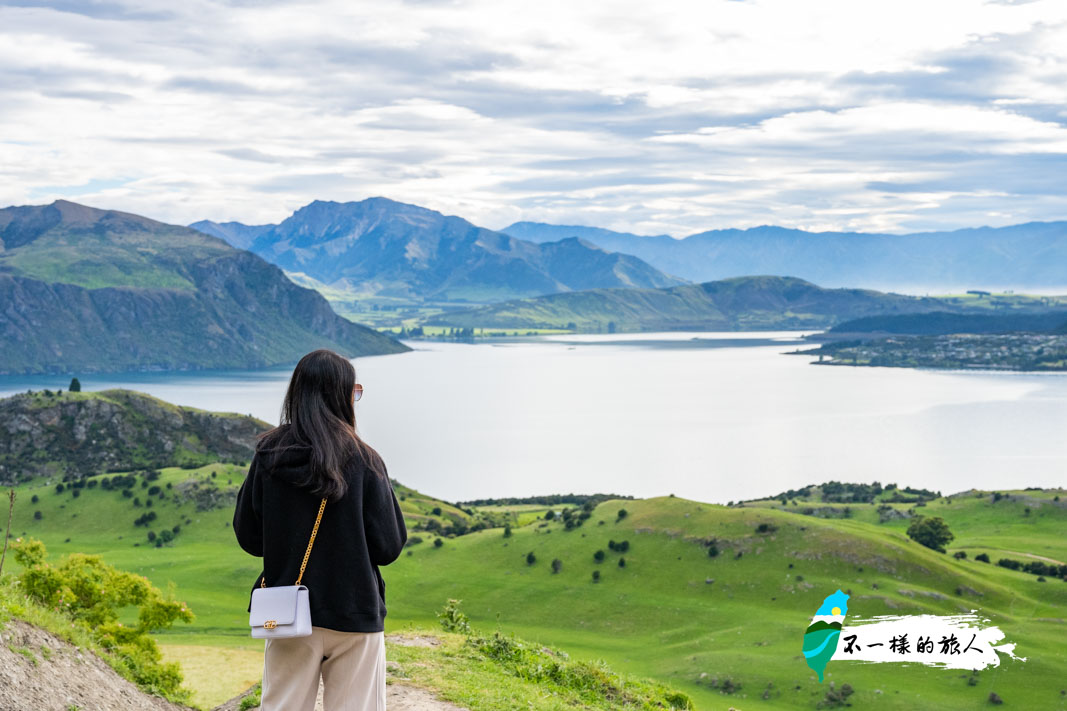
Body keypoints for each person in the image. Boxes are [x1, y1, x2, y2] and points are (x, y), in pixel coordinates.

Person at [233, 349, 407, 710]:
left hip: (288, 611)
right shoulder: (365, 460)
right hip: (355, 612)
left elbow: (248, 537)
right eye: (353, 392)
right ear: (342, 395)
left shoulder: (269, 455)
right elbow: (389, 546)